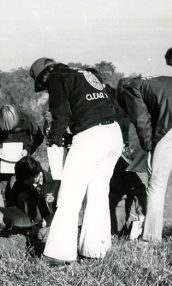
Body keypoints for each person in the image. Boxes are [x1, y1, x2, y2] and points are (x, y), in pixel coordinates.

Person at [29, 58, 123, 264]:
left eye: (44, 86)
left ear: (45, 75)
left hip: (91, 136)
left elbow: (60, 114)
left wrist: (54, 140)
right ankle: (95, 249)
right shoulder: (83, 74)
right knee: (98, 193)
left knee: (69, 196)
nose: (47, 89)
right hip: (114, 133)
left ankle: (57, 254)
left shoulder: (56, 77)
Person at [121, 76, 172, 242]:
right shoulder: (156, 82)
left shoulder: (130, 89)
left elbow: (141, 120)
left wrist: (149, 148)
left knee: (157, 184)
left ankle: (151, 236)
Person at [0, 104, 44, 205]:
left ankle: (22, 213)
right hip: (5, 159)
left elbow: (38, 136)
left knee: (17, 187)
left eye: (11, 128)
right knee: (4, 188)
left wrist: (27, 150)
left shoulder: (26, 118)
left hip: (21, 159)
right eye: (5, 128)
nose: (9, 132)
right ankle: (9, 215)